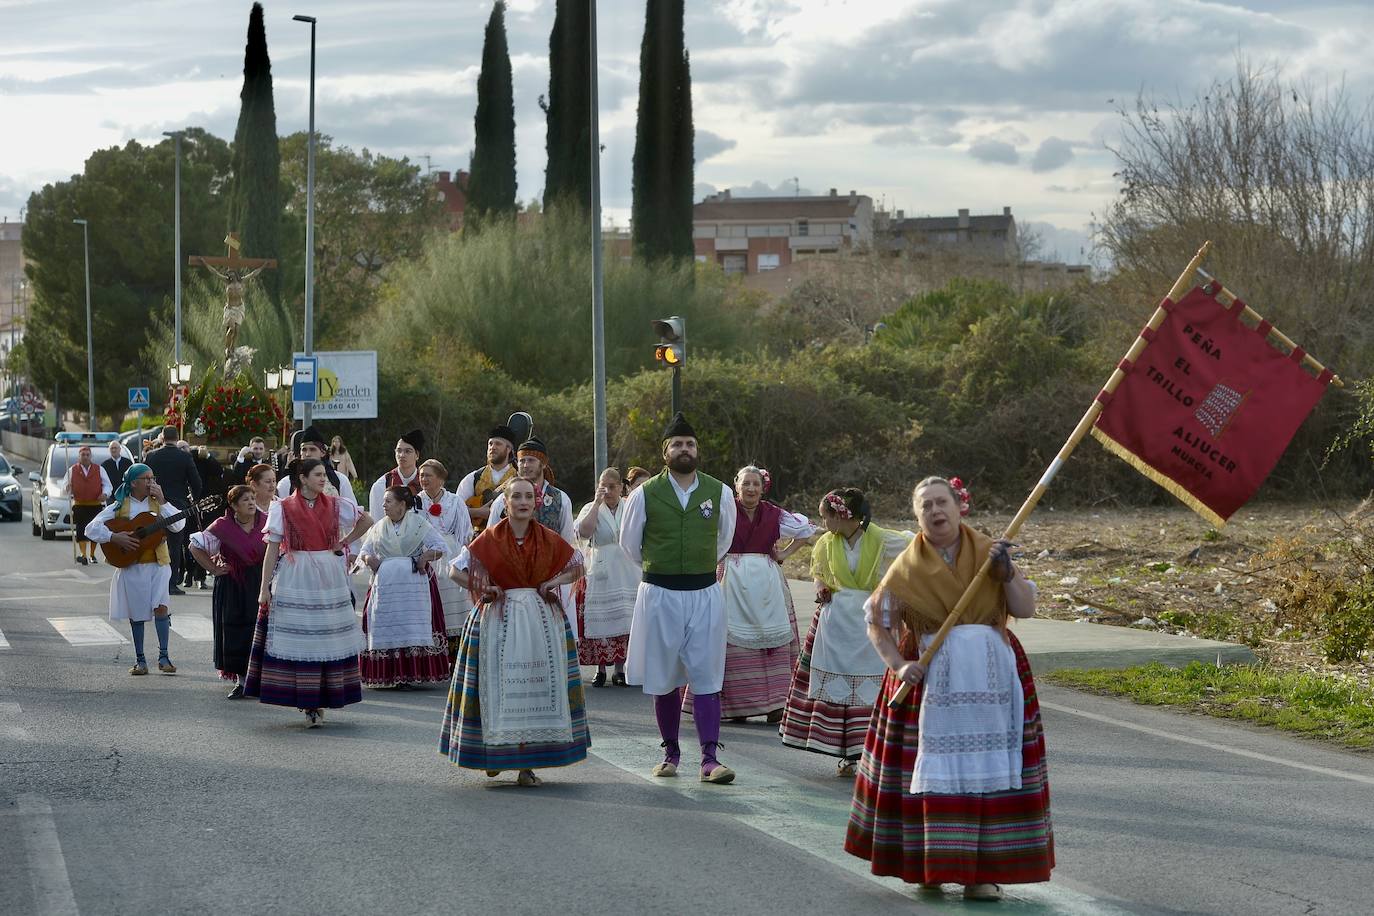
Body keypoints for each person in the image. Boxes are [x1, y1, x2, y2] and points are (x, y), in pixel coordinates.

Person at [844, 477, 1054, 901]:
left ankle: (983, 875)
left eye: (943, 503)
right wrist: (899, 665)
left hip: (994, 682)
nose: (936, 511)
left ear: (960, 507)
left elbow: (1025, 608)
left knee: (990, 776)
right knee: (932, 778)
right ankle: (931, 867)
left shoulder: (994, 553)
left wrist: (1007, 573)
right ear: (917, 516)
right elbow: (877, 624)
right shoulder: (906, 567)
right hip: (927, 684)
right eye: (926, 507)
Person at [439, 477, 589, 787]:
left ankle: (526, 765)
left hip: (539, 618)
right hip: (497, 618)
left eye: (528, 497)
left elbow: (578, 566)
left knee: (534, 691)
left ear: (535, 503)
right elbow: (454, 569)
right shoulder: (490, 538)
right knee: (498, 688)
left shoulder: (548, 539)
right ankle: (493, 754)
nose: (522, 502)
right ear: (505, 504)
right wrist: (483, 587)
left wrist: (553, 582)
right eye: (516, 497)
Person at [620, 413, 738, 784]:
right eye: (677, 444)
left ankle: (709, 759)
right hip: (659, 594)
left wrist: (696, 567)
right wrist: (664, 568)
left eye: (690, 444)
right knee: (665, 674)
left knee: (706, 675)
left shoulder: (719, 492)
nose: (684, 449)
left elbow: (724, 539)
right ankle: (670, 752)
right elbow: (630, 544)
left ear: (697, 450)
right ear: (665, 452)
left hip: (704, 593)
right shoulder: (644, 493)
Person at [780, 487, 913, 776]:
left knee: (874, 686)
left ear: (842, 516)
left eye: (826, 517)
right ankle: (849, 755)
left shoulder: (881, 539)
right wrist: (821, 589)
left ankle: (873, 752)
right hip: (837, 621)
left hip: (872, 618)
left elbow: (914, 547)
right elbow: (820, 574)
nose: (824, 523)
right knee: (842, 696)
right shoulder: (826, 544)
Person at [246, 458, 372, 727]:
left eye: (324, 474)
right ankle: (307, 702)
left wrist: (344, 541)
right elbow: (272, 549)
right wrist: (264, 588)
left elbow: (366, 520)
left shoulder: (335, 505)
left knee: (326, 636)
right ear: (302, 478)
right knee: (302, 636)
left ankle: (321, 699)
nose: (323, 479)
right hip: (297, 571)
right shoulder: (284, 507)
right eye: (317, 475)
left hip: (328, 571)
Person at [684, 465, 815, 724]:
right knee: (727, 639)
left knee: (772, 640)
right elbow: (698, 532)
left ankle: (777, 704)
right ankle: (735, 704)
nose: (751, 489)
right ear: (736, 485)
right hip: (730, 578)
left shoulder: (773, 513)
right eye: (746, 484)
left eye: (755, 484)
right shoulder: (723, 510)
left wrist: (786, 554)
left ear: (762, 487)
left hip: (767, 582)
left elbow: (806, 530)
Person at [83, 464, 187, 675]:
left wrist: (164, 500)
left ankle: (164, 657)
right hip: (132, 566)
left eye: (152, 478)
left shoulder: (159, 504)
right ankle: (140, 660)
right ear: (134, 483)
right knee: (137, 613)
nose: (151, 482)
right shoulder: (120, 506)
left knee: (161, 607)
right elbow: (90, 528)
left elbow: (179, 525)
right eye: (147, 478)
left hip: (158, 564)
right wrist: (114, 537)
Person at [357, 486, 453, 688]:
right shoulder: (379, 527)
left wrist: (425, 557)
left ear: (402, 505)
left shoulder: (419, 524)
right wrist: (368, 559)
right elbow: (365, 551)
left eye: (388, 501)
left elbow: (440, 547)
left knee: (410, 625)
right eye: (383, 501)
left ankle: (410, 673)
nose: (383, 505)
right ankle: (388, 675)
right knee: (388, 626)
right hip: (385, 586)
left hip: (413, 586)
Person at [487, 436, 577, 634]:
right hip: (512, 581)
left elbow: (568, 542)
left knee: (551, 638)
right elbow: (490, 541)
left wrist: (556, 578)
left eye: (531, 460)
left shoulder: (560, 499)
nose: (525, 465)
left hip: (550, 581)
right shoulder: (503, 500)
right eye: (521, 460)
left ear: (543, 463)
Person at [189, 484, 268, 698]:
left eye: (253, 498)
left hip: (260, 582)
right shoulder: (222, 527)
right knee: (235, 630)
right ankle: (242, 682)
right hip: (232, 584)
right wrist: (214, 568)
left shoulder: (266, 521)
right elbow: (195, 546)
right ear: (233, 505)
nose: (252, 503)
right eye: (245, 500)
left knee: (260, 630)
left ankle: (261, 678)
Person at [573, 467, 639, 687]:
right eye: (604, 486)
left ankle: (620, 669)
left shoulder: (630, 506)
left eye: (613, 486)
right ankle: (600, 669)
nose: (608, 491)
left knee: (625, 617)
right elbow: (584, 532)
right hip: (601, 566)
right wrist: (596, 504)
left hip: (628, 569)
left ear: (621, 487)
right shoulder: (590, 508)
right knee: (600, 618)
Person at [417, 458, 474, 654]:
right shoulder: (416, 501)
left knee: (454, 599)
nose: (423, 479)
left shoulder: (455, 501)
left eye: (428, 475)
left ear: (440, 479)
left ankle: (456, 650)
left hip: (451, 553)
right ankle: (433, 651)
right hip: (427, 552)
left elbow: (465, 532)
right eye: (421, 475)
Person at [143, 425, 203, 595]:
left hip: (153, 504)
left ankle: (152, 581)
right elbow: (196, 482)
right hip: (178, 505)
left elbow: (143, 477)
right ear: (177, 438)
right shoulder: (184, 457)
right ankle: (171, 583)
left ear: (162, 438)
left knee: (153, 542)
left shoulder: (151, 456)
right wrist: (194, 499)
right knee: (174, 546)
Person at [455, 424, 518, 532]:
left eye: (498, 444)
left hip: (509, 536)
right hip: (477, 539)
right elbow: (455, 509)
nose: (492, 447)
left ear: (508, 449)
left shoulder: (519, 478)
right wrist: (478, 512)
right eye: (490, 443)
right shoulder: (474, 478)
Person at [276, 426, 357, 504]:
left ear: (322, 452)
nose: (307, 454)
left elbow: (353, 513)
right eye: (304, 450)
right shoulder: (286, 483)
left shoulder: (340, 480)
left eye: (312, 449)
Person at [62, 444, 112, 565]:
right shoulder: (72, 470)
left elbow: (107, 485)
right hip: (80, 504)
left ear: (91, 456)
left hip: (95, 504)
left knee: (94, 529)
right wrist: (67, 488)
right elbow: (64, 487)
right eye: (83, 455)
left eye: (87, 455)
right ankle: (83, 554)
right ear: (79, 456)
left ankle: (92, 554)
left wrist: (105, 494)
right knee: (80, 529)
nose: (85, 457)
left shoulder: (99, 469)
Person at [369, 429, 425, 519]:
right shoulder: (382, 484)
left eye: (408, 451)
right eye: (399, 451)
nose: (402, 455)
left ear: (417, 455)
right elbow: (377, 523)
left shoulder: (425, 482)